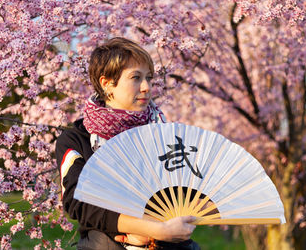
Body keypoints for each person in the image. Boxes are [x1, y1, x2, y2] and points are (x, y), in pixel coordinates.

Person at [56, 37, 200, 250]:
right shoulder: (77, 139)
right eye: (135, 78)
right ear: (107, 84)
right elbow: (80, 203)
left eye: (149, 78)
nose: (146, 87)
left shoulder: (163, 133)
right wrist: (153, 229)